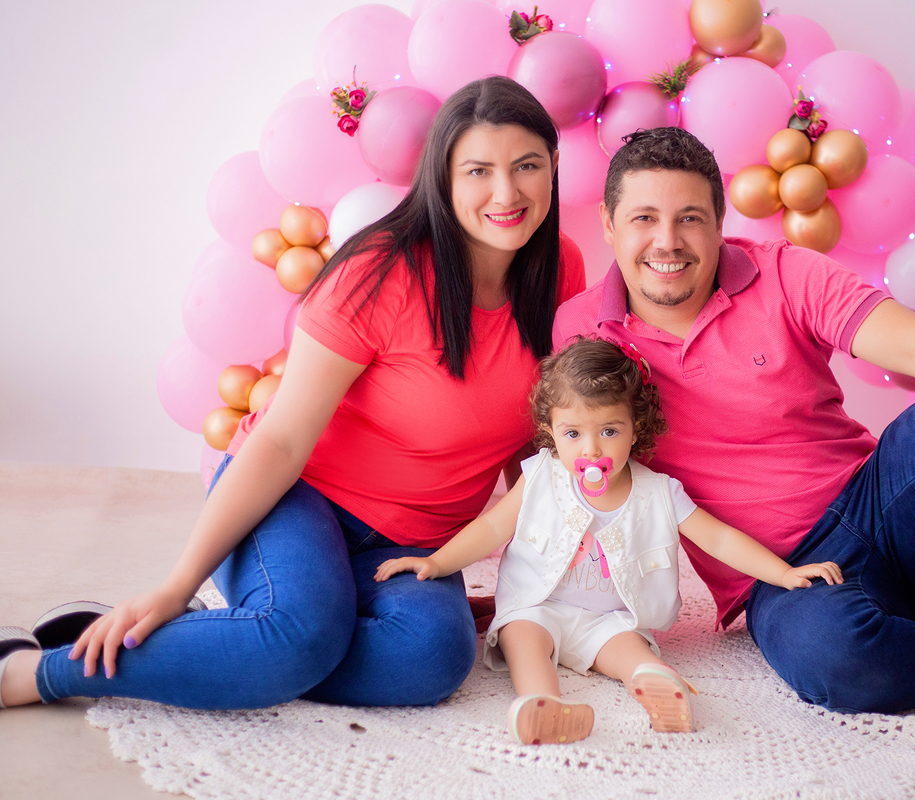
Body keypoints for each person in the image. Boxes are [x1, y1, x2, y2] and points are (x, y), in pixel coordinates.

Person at [0, 76, 586, 712]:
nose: (506, 193)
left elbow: (533, 447)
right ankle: (33, 671)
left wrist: (524, 580)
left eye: (527, 166)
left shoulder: (561, 271)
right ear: (442, 177)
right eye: (478, 170)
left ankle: (235, 638)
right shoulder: (379, 273)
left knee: (431, 658)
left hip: (413, 545)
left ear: (554, 166)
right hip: (294, 499)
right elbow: (280, 440)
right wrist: (176, 585)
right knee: (299, 638)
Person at [550, 127, 915, 738]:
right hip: (779, 576)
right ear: (610, 226)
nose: (667, 241)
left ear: (720, 223)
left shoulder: (785, 274)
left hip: (882, 511)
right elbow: (578, 465)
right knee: (842, 667)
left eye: (690, 217)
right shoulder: (584, 331)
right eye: (644, 218)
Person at [373, 336, 843, 744]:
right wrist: (438, 563)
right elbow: (493, 528)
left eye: (609, 431)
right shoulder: (540, 476)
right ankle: (543, 703)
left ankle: (657, 684)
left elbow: (718, 539)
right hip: (538, 603)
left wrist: (784, 572)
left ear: (635, 429)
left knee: (628, 649)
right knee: (522, 638)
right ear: (551, 432)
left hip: (612, 618)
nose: (591, 450)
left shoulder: (659, 492)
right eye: (573, 433)